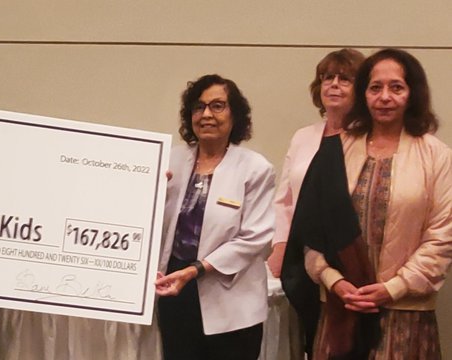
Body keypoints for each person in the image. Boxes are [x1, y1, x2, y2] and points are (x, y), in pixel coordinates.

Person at [292, 48, 452, 359]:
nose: (385, 97)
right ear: (364, 93)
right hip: (341, 310)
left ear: (412, 94)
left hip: (406, 315)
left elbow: (442, 235)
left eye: (396, 87)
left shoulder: (437, 156)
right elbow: (310, 231)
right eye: (375, 87)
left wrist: (393, 288)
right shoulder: (335, 149)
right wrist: (333, 280)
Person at [154, 74, 275, 360]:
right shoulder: (169, 160)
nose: (206, 114)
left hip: (232, 302)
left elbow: (254, 238)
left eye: (218, 106)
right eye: (199, 107)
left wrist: (196, 269)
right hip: (175, 293)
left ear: (235, 116)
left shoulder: (255, 168)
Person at [272, 48, 364, 356]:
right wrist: (279, 247)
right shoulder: (303, 136)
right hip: (303, 257)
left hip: (351, 258)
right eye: (327, 78)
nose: (333, 84)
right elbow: (284, 199)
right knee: (313, 341)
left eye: (345, 79)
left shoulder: (368, 139)